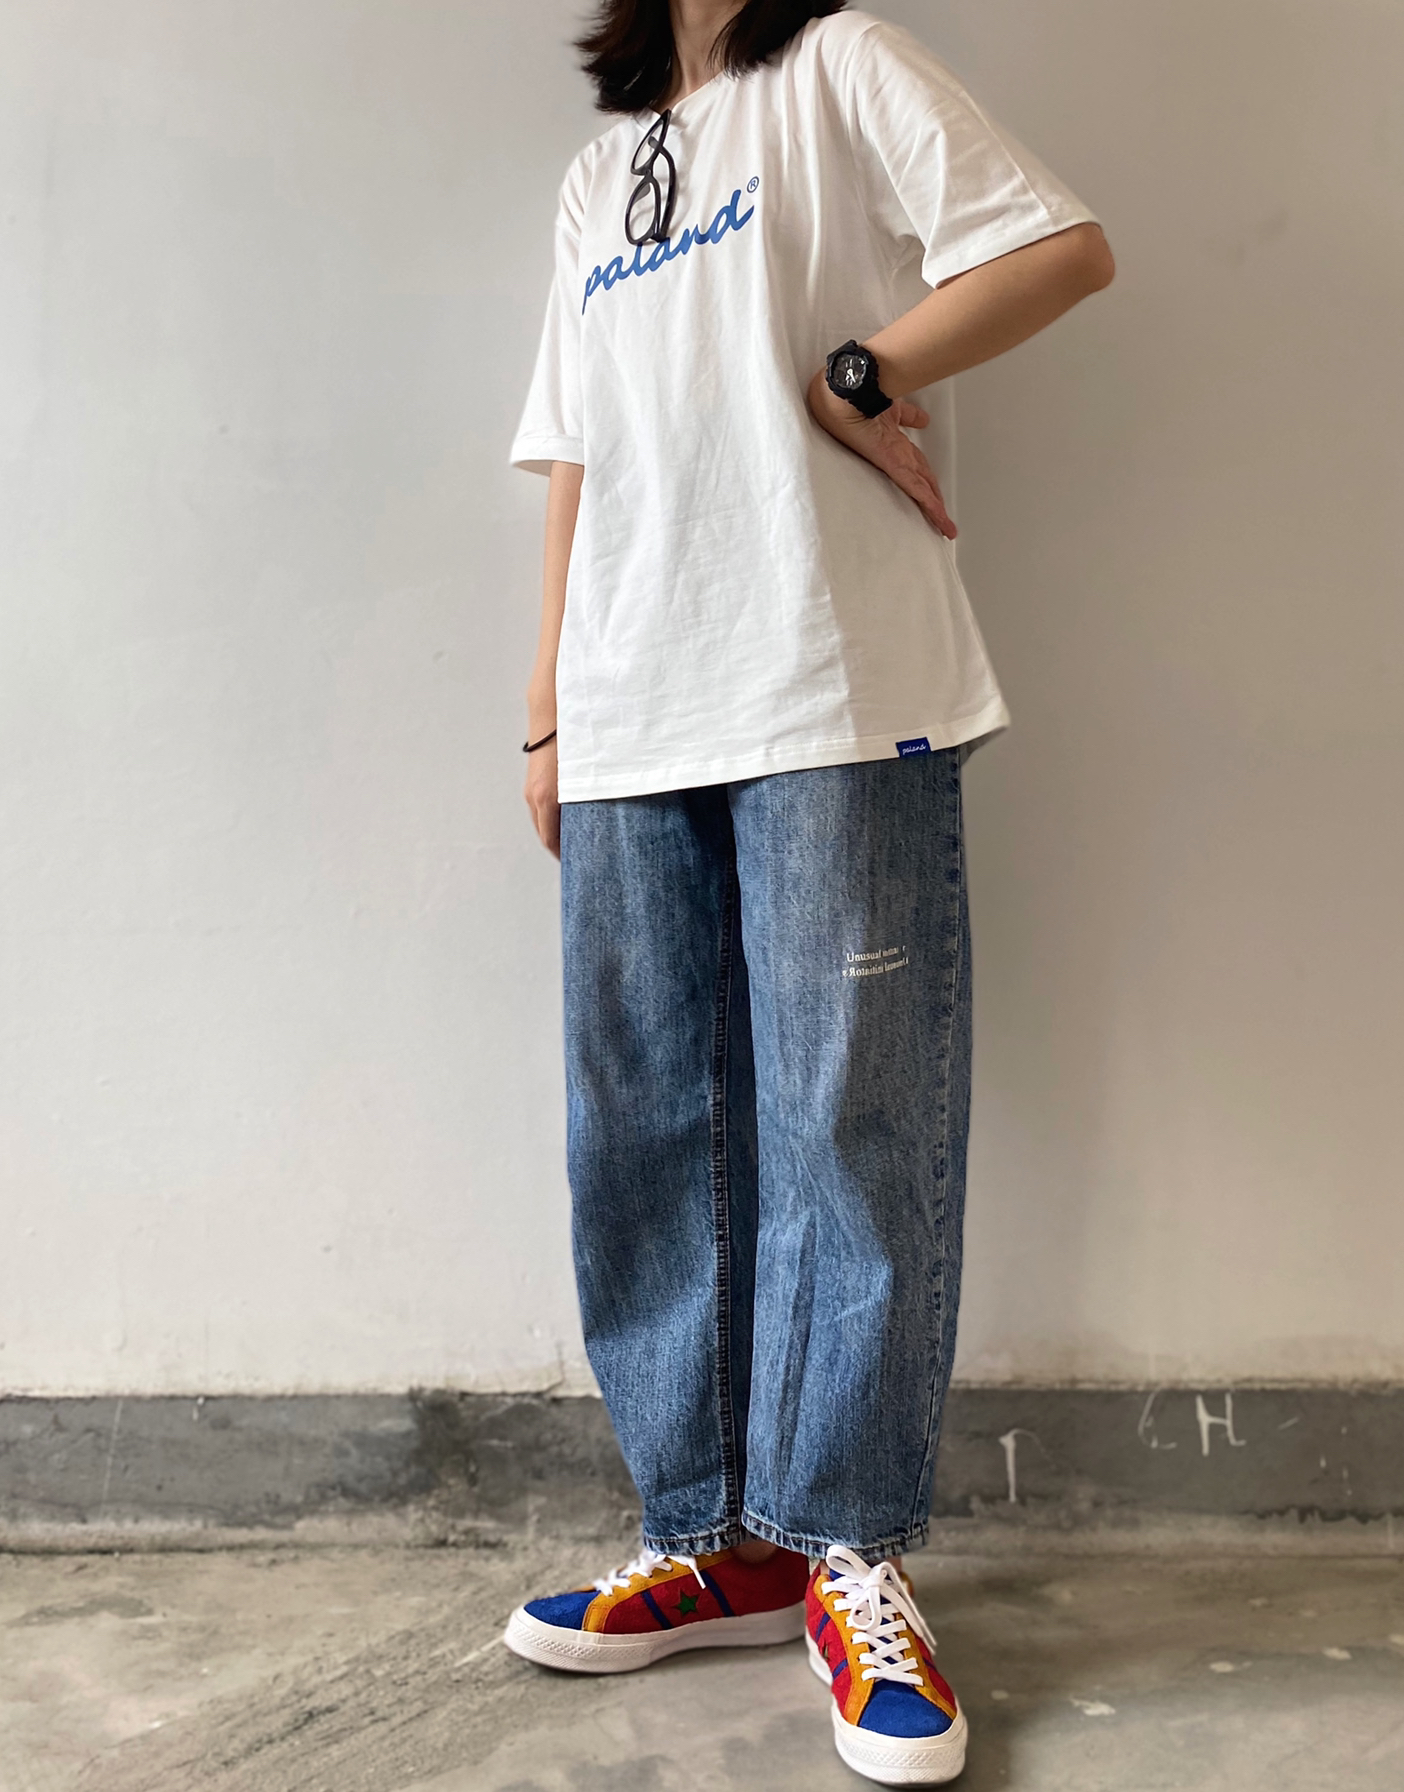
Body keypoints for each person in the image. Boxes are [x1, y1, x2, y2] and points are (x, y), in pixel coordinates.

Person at [501, 1, 1113, 1782]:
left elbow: (1058, 248)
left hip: (830, 681)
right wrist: (547, 705)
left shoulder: (841, 65)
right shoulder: (603, 172)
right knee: (644, 1129)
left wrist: (857, 372)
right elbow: (577, 453)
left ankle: (846, 1543)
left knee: (852, 1120)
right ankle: (716, 1539)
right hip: (631, 699)